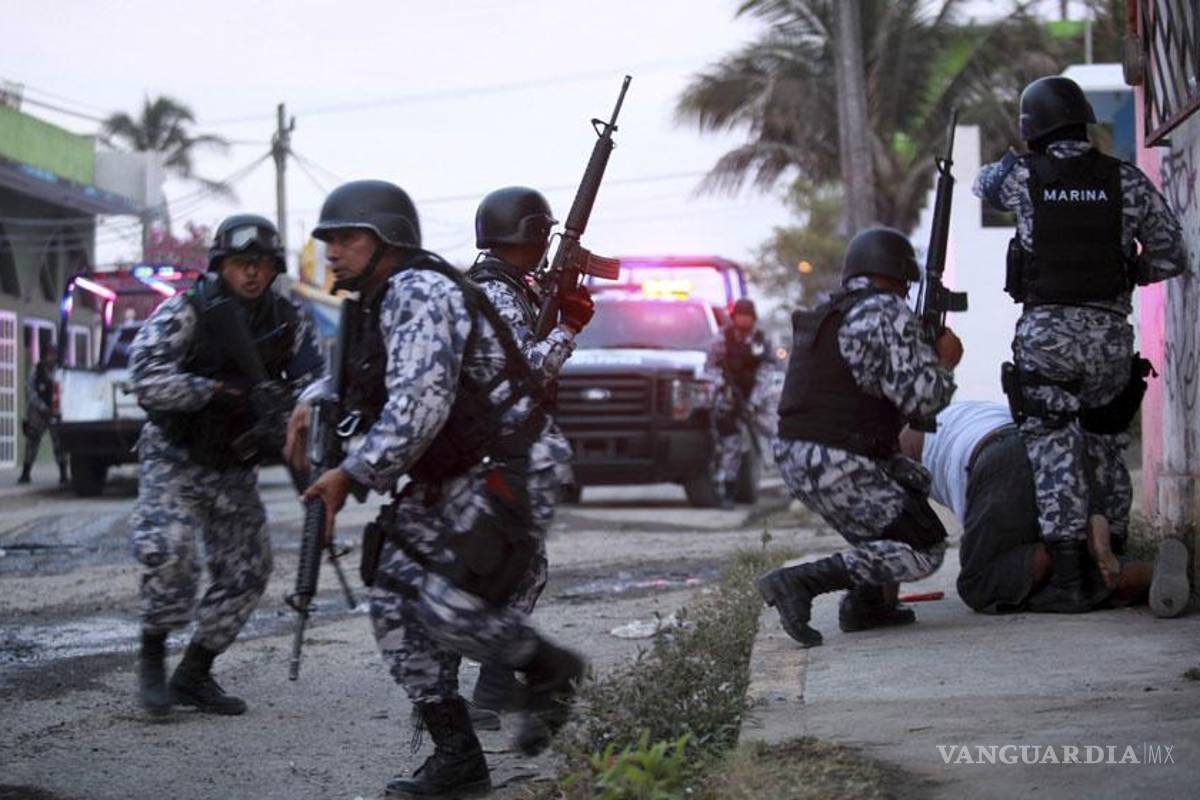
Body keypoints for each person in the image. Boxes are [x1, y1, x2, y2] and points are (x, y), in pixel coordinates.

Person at [298, 180, 586, 799]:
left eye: (347, 239)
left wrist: (350, 475)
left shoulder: (419, 291)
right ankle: (459, 757)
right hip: (454, 473)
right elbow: (361, 382)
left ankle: (549, 669)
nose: (333, 253)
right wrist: (310, 403)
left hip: (510, 464)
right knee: (395, 598)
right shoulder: (376, 304)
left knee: (448, 607)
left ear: (387, 242)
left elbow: (418, 408)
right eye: (329, 241)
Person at [974, 75, 1186, 612]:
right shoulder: (1125, 179)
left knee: (1054, 452)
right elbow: (1169, 254)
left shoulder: (1021, 177)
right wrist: (1125, 273)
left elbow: (984, 185)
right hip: (1109, 336)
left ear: (1032, 127)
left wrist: (1010, 159)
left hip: (1047, 336)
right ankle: (1110, 557)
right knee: (1106, 445)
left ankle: (1070, 579)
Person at [129, 214, 323, 718]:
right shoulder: (189, 311)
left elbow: (316, 383)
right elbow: (144, 376)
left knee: (249, 570)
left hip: (233, 464)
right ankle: (153, 658)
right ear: (222, 265)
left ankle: (194, 672)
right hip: (175, 456)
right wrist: (213, 393)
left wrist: (288, 414)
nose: (252, 274)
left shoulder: (289, 317)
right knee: (170, 554)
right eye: (241, 264)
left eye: (260, 264)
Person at [757, 227, 962, 648]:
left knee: (909, 484)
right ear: (898, 273)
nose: (907, 289)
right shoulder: (885, 311)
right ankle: (799, 583)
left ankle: (867, 605)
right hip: (838, 459)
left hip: (803, 456)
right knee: (923, 550)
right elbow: (923, 400)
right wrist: (945, 361)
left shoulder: (831, 310)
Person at [464, 186, 593, 727]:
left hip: (494, 446)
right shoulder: (496, 294)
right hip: (492, 450)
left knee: (509, 567)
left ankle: (486, 691)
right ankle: (483, 692)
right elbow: (529, 370)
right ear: (532, 235)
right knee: (515, 569)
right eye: (544, 235)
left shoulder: (504, 287)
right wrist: (568, 326)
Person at [898, 401, 1191, 617]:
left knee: (981, 583)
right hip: (1060, 453)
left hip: (999, 461)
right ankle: (1154, 571)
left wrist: (879, 602)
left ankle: (1070, 551)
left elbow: (889, 516)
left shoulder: (903, 435)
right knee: (1056, 579)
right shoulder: (968, 410)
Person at [706, 297, 772, 509]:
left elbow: (766, 372)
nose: (744, 321)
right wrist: (722, 390)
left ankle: (788, 480)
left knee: (774, 435)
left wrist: (754, 402)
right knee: (731, 446)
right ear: (734, 318)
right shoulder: (722, 339)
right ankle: (728, 490)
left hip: (754, 400)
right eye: (740, 316)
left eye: (748, 317)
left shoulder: (759, 340)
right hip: (727, 400)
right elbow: (710, 369)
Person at [18, 348, 67, 485]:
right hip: (38, 412)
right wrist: (43, 408)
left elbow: (64, 390)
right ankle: (25, 474)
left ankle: (63, 474)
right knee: (32, 442)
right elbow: (30, 391)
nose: (53, 358)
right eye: (50, 355)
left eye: (55, 355)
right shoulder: (36, 371)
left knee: (59, 443)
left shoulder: (59, 371)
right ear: (44, 357)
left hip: (55, 411)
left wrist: (56, 409)